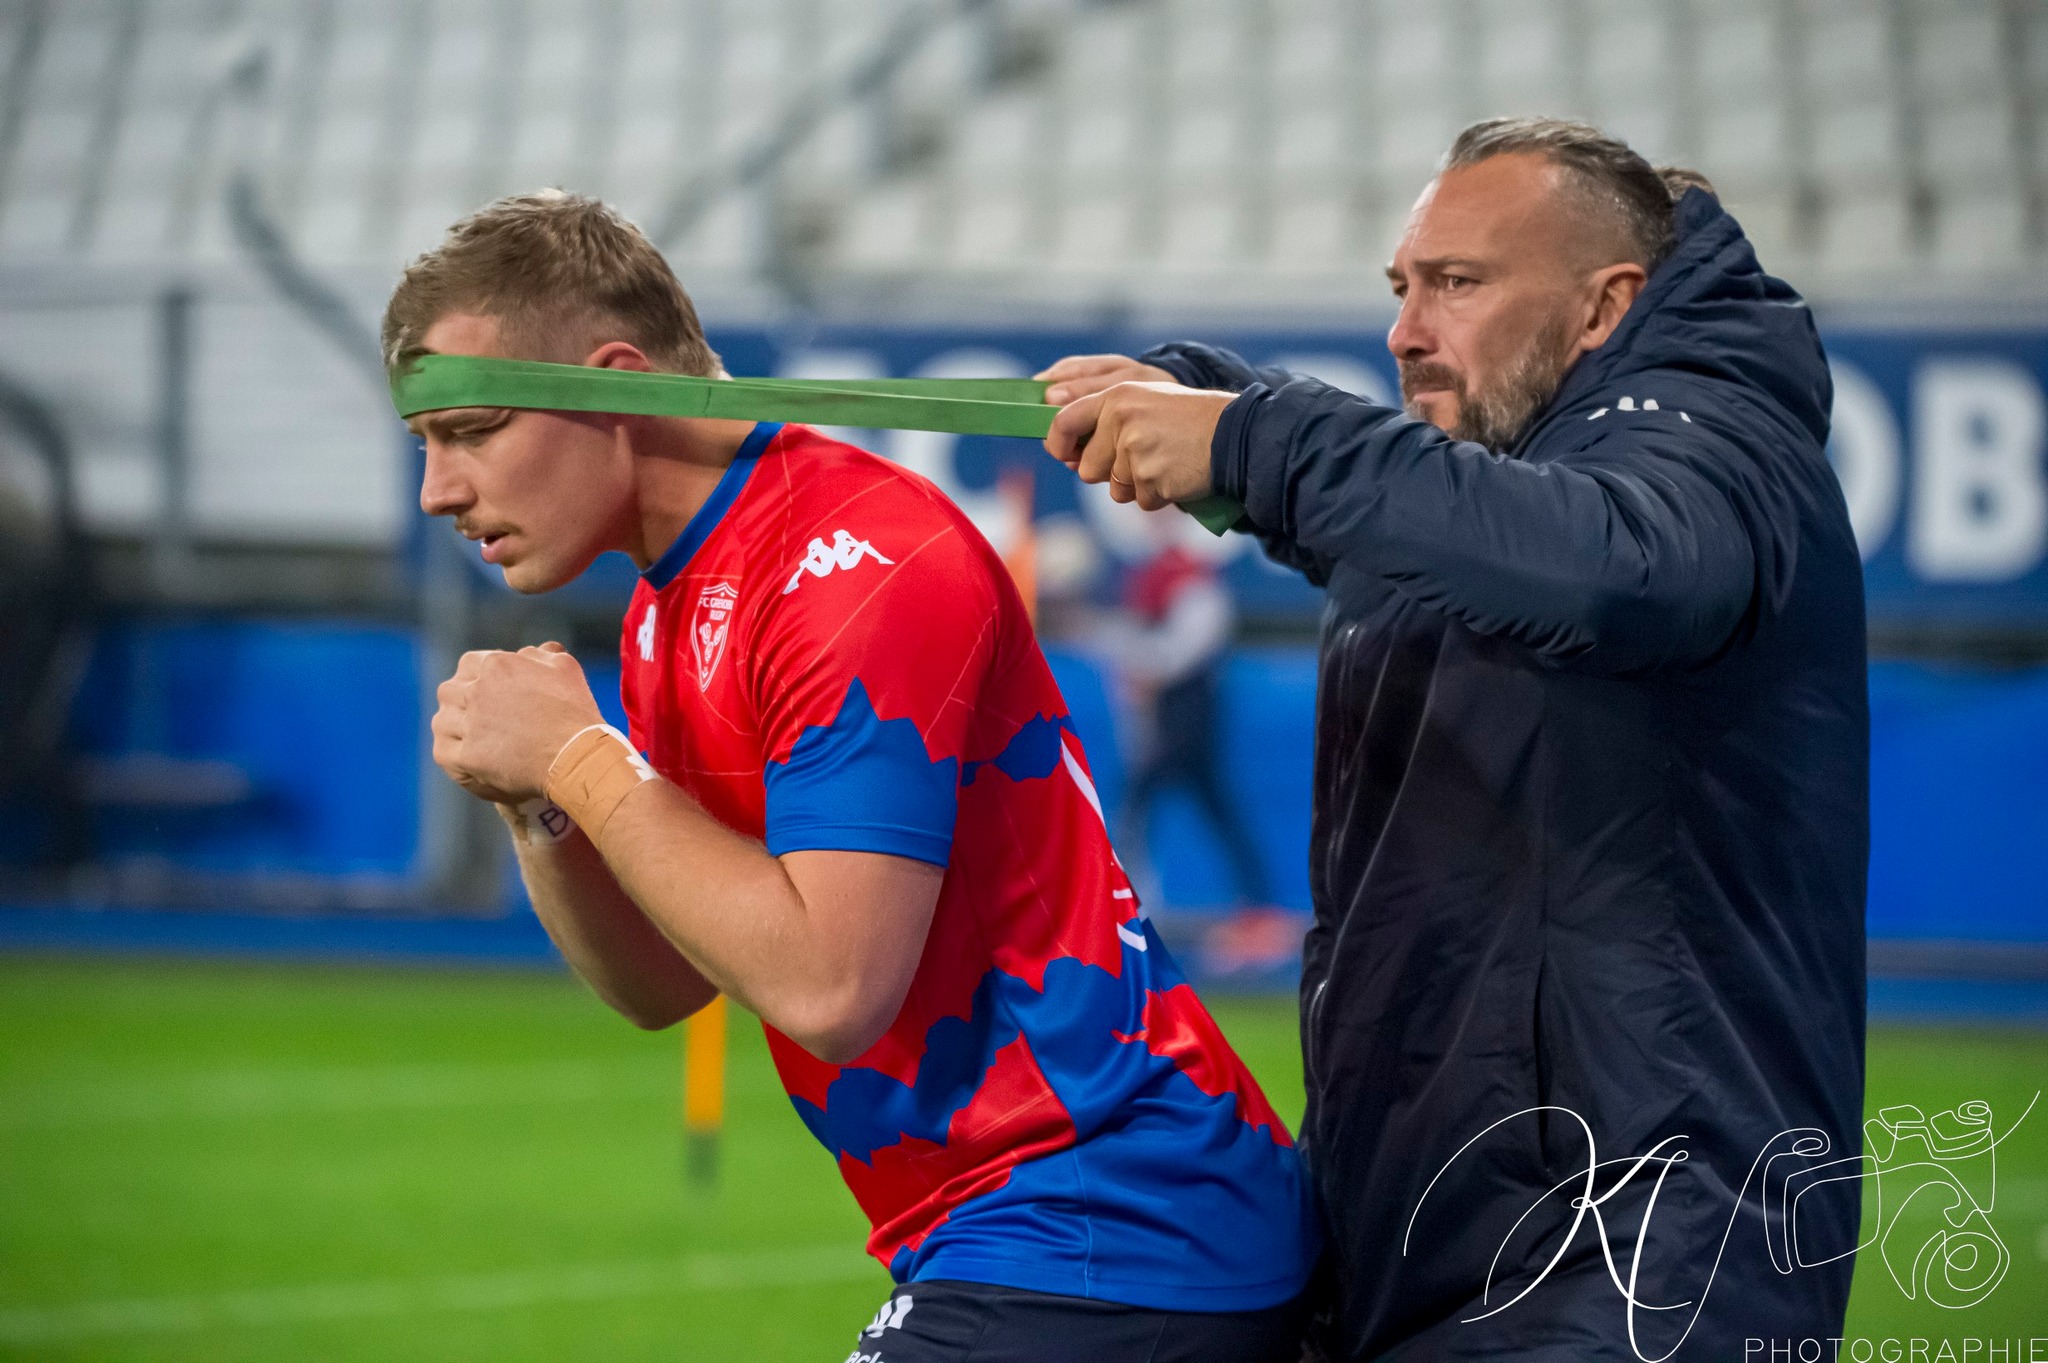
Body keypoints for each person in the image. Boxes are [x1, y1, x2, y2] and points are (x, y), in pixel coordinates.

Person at [389, 191, 1316, 1362]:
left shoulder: (853, 565)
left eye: (470, 430)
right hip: (1040, 1234)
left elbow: (831, 988)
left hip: (1107, 1221)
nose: (438, 489)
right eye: (426, 446)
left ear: (615, 380)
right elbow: (662, 985)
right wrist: (542, 799)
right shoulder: (664, 611)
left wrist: (581, 757)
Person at [1039, 118, 1868, 1361]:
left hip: (1643, 1261)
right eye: (1399, 287)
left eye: (1455, 284)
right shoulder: (1496, 483)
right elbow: (1414, 515)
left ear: (1604, 307)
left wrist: (1251, 435)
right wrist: (1188, 389)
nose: (1403, 330)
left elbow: (1613, 570)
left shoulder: (1715, 435)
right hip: (1432, 1235)